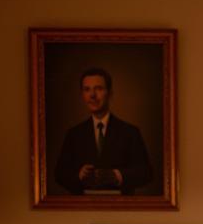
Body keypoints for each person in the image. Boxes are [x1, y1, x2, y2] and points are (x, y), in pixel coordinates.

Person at [54, 67, 152, 196]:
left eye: (98, 89)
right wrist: (78, 175)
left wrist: (117, 175)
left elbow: (146, 173)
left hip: (121, 210)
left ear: (110, 93)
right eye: (87, 89)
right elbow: (59, 174)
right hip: (81, 211)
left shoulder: (130, 132)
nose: (92, 95)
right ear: (82, 94)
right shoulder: (73, 134)